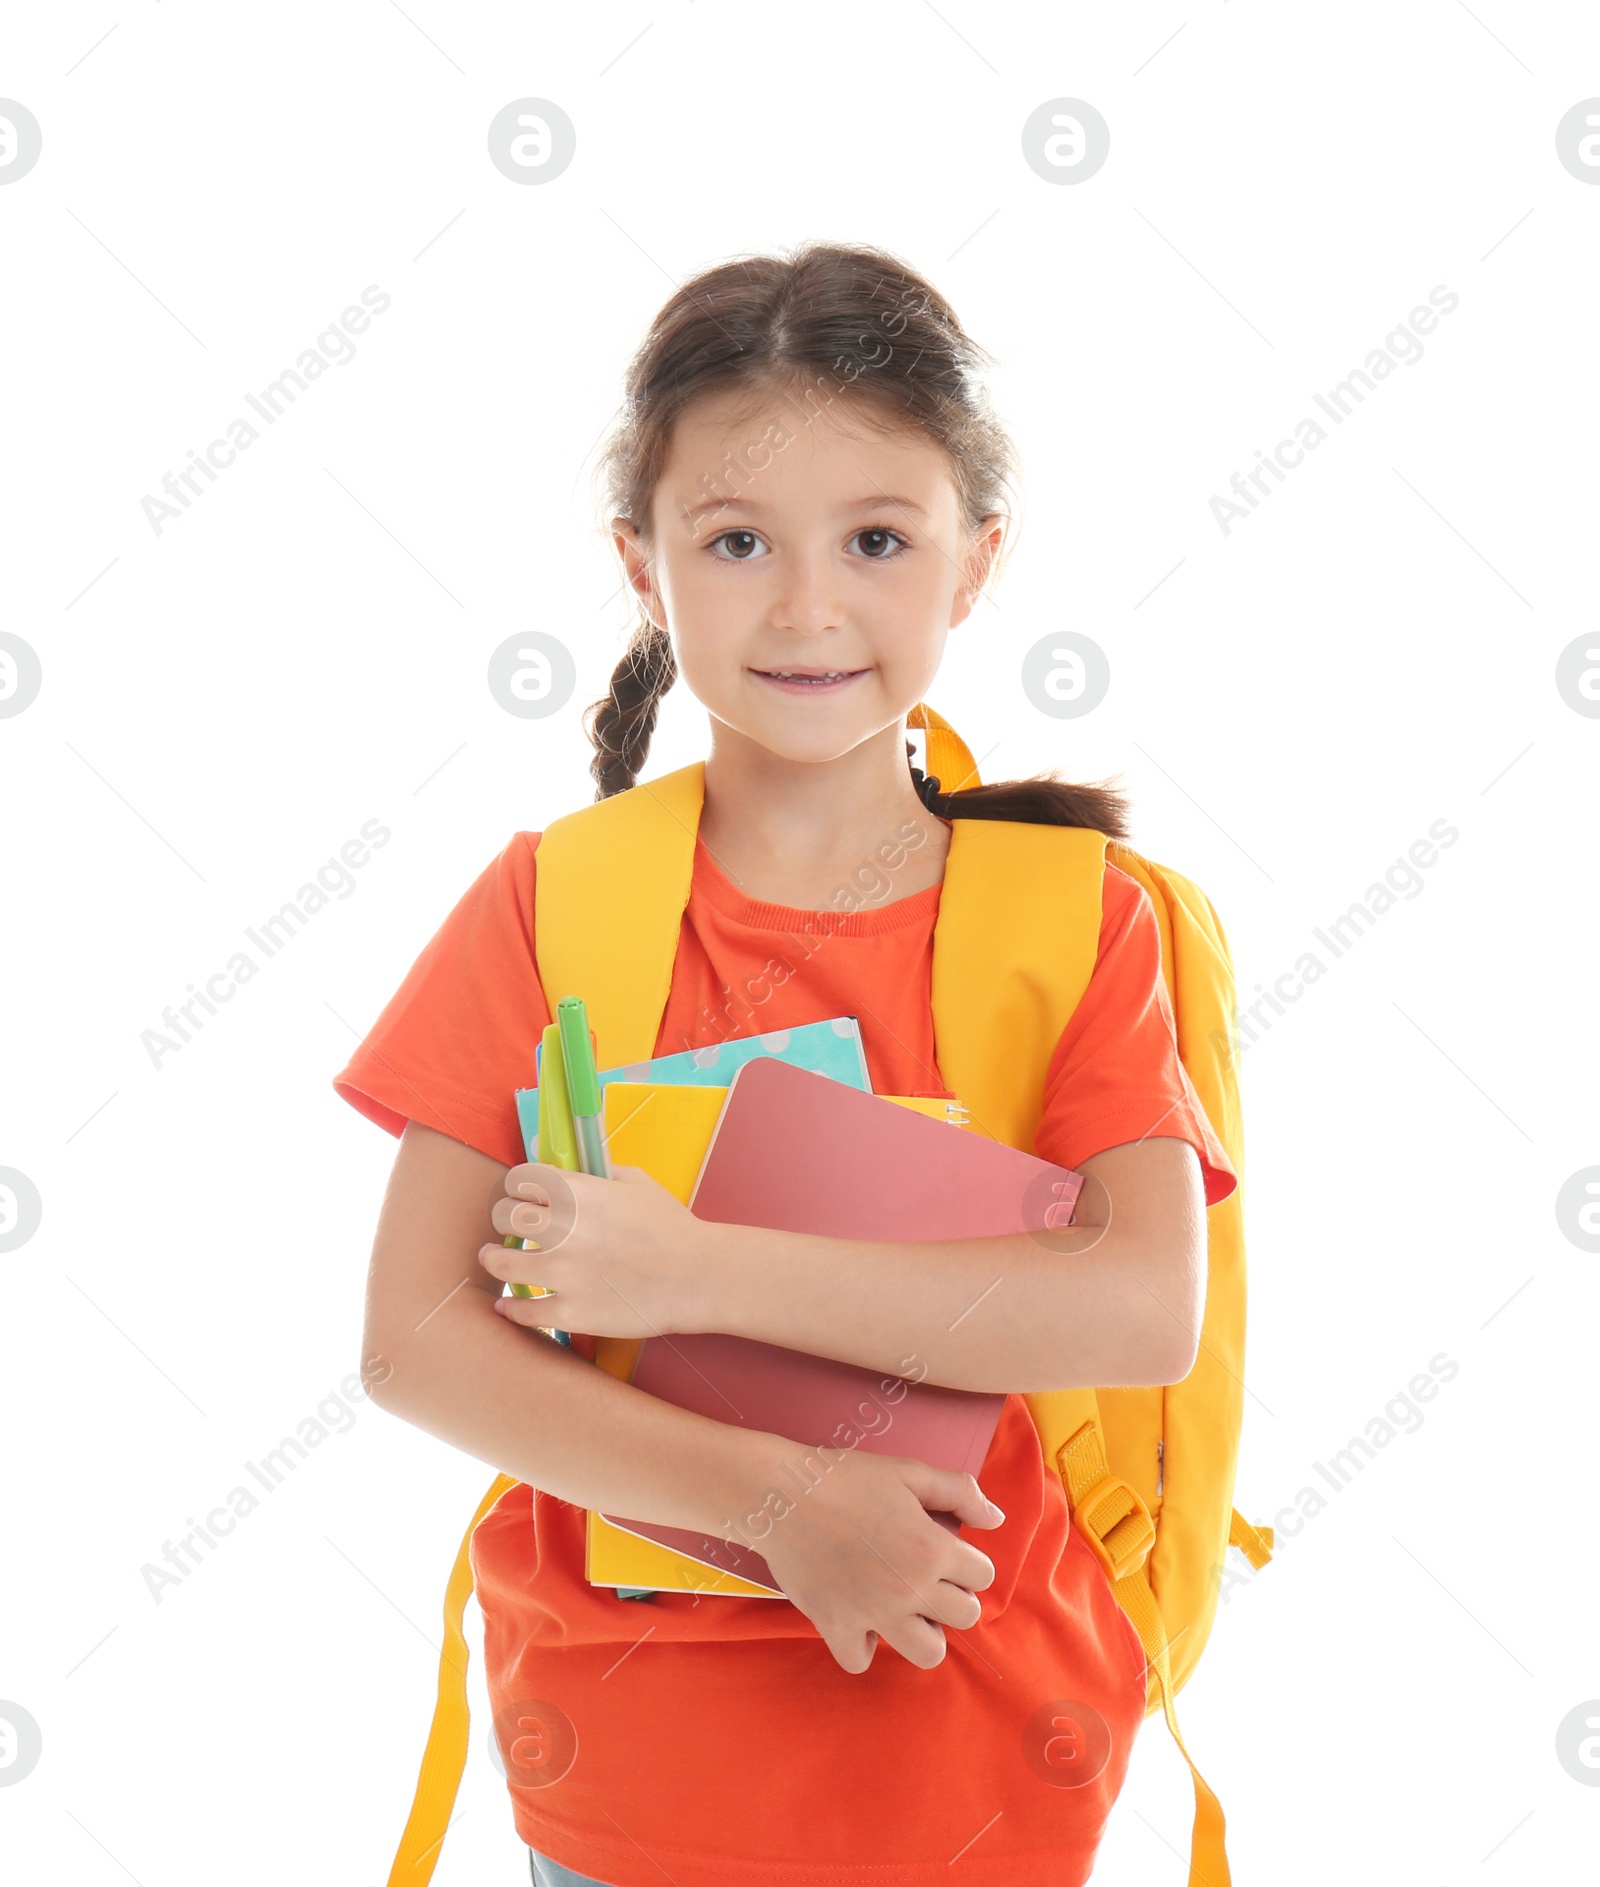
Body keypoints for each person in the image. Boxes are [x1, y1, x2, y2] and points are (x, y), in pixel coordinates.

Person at [333, 240, 1238, 1887]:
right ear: (640, 563)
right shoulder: (557, 905)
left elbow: (1136, 1307)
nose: (809, 606)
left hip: (982, 1745)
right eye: (736, 541)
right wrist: (778, 1506)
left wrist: (691, 1273)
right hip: (627, 1773)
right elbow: (411, 1342)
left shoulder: (1077, 923)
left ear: (975, 564)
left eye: (877, 540)